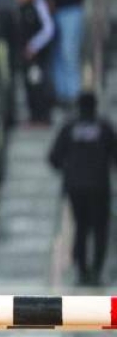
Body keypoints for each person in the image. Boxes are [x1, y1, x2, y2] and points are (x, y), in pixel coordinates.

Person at [48, 92, 117, 286]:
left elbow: (53, 158)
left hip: (76, 188)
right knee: (100, 230)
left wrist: (69, 169)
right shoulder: (104, 127)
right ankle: (96, 271)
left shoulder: (69, 128)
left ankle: (82, 271)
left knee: (80, 228)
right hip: (99, 187)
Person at [12, 0, 56, 125]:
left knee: (38, 84)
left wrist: (34, 45)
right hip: (26, 56)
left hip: (38, 55)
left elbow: (49, 29)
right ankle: (33, 117)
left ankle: (43, 116)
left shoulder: (39, 4)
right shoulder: (20, 7)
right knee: (29, 85)